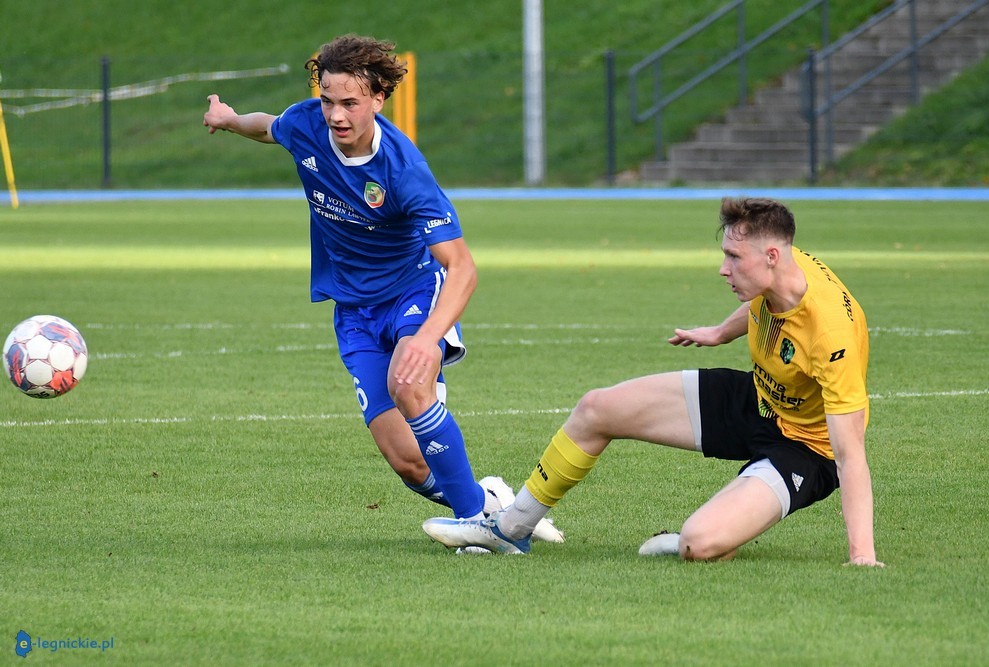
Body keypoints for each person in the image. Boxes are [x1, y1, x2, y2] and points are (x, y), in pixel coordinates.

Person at [202, 34, 562, 541]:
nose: (336, 115)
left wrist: (426, 338)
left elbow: (462, 267)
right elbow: (267, 127)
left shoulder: (403, 169)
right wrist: (229, 119)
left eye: (350, 103)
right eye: (328, 100)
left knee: (408, 385)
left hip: (413, 292)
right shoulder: (306, 124)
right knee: (409, 463)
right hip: (354, 310)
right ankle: (496, 508)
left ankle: (486, 533)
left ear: (378, 98)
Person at [423, 197, 883, 566]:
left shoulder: (832, 335)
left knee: (699, 544)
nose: (723, 268)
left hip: (807, 450)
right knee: (597, 409)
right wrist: (720, 332)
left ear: (771, 256)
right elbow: (768, 299)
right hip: (759, 400)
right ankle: (509, 529)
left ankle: (713, 534)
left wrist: (862, 556)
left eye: (733, 257)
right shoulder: (783, 268)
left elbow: (849, 455)